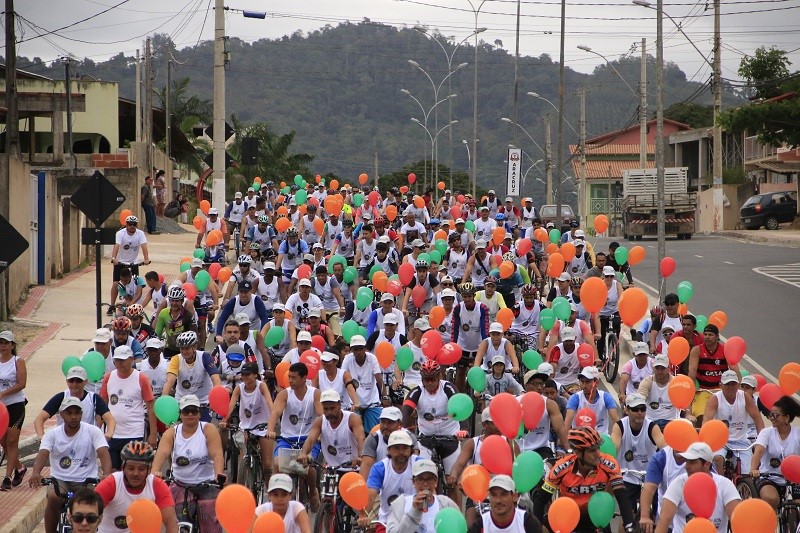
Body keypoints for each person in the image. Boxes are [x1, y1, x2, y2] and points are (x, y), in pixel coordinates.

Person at [29, 396, 113, 533]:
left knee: (93, 502)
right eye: (69, 413)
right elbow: (43, 453)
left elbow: (103, 452)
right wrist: (36, 473)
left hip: (87, 479)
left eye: (77, 413)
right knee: (53, 497)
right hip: (60, 479)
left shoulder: (93, 431)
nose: (73, 416)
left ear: (81, 414)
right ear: (62, 415)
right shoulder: (52, 435)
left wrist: (107, 474)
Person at [533, 427, 636, 533]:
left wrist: (629, 525)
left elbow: (622, 496)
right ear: (578, 453)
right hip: (567, 515)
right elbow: (540, 499)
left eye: (598, 448)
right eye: (592, 450)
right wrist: (537, 527)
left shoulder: (609, 464)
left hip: (594, 516)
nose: (598, 454)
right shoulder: (561, 467)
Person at [151, 395, 226, 533]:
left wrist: (218, 474)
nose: (190, 414)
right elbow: (161, 453)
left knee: (211, 526)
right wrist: (155, 471)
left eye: (194, 410)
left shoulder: (208, 429)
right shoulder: (172, 433)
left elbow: (217, 454)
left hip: (206, 484)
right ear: (180, 414)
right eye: (186, 411)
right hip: (180, 485)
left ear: (199, 413)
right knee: (176, 524)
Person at [402, 360, 466, 493]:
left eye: (433, 379)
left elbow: (462, 406)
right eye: (426, 380)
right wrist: (400, 427)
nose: (430, 383)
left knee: (453, 482)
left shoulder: (448, 388)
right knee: (424, 479)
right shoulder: (417, 391)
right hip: (426, 440)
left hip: (450, 438)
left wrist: (464, 429)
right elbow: (406, 409)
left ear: (439, 378)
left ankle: (456, 511)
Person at [266, 362, 323, 510]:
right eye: (289, 377)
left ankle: (313, 491)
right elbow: (275, 413)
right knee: (278, 463)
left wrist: (321, 434)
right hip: (287, 439)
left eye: (294, 377)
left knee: (309, 466)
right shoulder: (285, 394)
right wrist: (271, 430)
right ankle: (275, 493)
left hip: (308, 439)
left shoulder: (315, 394)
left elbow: (321, 415)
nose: (290, 380)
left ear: (304, 378)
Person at [655, 442, 740, 533]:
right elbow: (664, 520)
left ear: (707, 464)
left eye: (692, 462)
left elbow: (738, 520)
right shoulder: (678, 483)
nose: (687, 467)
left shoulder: (724, 484)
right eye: (686, 461)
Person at [94, 441, 178, 533]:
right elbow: (88, 515)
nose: (135, 473)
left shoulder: (157, 485)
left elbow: (171, 524)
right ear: (123, 468)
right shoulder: (110, 484)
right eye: (130, 468)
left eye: (141, 469)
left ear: (149, 470)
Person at [99, 344, 158, 470]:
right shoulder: (108, 378)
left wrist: (153, 434)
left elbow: (151, 408)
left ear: (131, 360)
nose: (119, 363)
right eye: (117, 360)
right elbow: (102, 405)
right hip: (112, 434)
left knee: (131, 469)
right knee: (112, 471)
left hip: (134, 433)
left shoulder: (141, 378)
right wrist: (98, 430)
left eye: (122, 360)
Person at [611, 394, 665, 516]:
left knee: (655, 516)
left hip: (650, 478)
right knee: (627, 517)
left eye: (643, 409)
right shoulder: (619, 426)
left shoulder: (652, 427)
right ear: (627, 410)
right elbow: (614, 448)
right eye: (635, 409)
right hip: (627, 476)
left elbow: (663, 446)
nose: (640, 413)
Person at [703, 369, 764, 473]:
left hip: (741, 440)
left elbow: (757, 419)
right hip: (721, 441)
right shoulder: (715, 399)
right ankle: (721, 483)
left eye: (733, 384)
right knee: (718, 459)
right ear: (721, 385)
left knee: (748, 473)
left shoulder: (745, 397)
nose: (731, 387)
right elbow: (706, 422)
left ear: (738, 385)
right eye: (727, 384)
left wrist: (762, 440)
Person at [221, 362, 274, 477]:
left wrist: (272, 423)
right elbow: (231, 405)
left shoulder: (261, 386)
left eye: (247, 374)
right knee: (243, 452)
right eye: (243, 374)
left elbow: (271, 405)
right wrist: (225, 420)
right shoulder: (239, 388)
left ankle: (268, 489)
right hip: (246, 426)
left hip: (263, 426)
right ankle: (245, 476)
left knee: (267, 463)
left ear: (255, 375)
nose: (244, 377)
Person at [361, 430, 419, 532]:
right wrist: (363, 515)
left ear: (411, 450)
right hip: (387, 522)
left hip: (415, 521)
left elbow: (430, 490)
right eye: (396, 448)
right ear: (389, 450)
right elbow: (370, 494)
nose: (401, 452)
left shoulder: (419, 464)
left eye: (405, 448)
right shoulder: (380, 468)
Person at [34, 366, 115, 439]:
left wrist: (109, 434)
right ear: (67, 381)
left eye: (78, 380)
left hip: (86, 443)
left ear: (85, 382)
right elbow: (39, 419)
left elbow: (109, 419)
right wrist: (42, 437)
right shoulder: (61, 397)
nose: (74, 384)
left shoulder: (93, 398)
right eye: (71, 380)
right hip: (64, 442)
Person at [750, 395, 800, 511]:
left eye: (775, 415)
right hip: (769, 477)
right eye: (770, 414)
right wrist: (753, 469)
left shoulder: (797, 434)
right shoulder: (766, 433)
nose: (770, 417)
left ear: (786, 418)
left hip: (794, 480)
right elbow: (758, 451)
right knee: (771, 498)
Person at [162, 331, 223, 422]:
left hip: (202, 401)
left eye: (187, 348)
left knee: (205, 430)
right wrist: (164, 401)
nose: (184, 352)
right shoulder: (176, 359)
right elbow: (169, 382)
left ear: (194, 347)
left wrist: (216, 398)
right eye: (181, 349)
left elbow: (216, 379)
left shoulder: (205, 357)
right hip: (182, 400)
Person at [385, 459, 459, 533]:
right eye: (420, 479)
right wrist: (414, 511)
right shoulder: (401, 504)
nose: (425, 484)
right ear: (414, 482)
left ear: (436, 481)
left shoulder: (446, 504)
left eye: (429, 479)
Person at [298, 389, 365, 468]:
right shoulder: (319, 421)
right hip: (331, 470)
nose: (329, 412)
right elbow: (310, 440)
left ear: (339, 405)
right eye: (326, 409)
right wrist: (303, 453)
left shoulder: (352, 419)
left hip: (353, 468)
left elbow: (361, 438)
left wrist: (361, 456)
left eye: (332, 408)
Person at [688, 324, 740, 424]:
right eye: (705, 334)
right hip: (704, 391)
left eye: (710, 334)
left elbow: (734, 369)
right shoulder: (697, 350)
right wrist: (691, 392)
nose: (707, 337)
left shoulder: (725, 350)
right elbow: (692, 372)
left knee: (728, 418)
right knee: (701, 417)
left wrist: (737, 390)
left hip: (722, 391)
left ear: (717, 336)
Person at [637, 443, 688, 533]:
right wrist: (644, 516)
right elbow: (649, 487)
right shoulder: (661, 457)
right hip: (666, 520)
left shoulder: (698, 457)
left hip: (691, 520)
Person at [467, 475, 543, 533]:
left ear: (514, 497)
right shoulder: (480, 525)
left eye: (504, 494)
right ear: (488, 497)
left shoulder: (528, 522)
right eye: (493, 495)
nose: (498, 500)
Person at [0, 330, 27, 490]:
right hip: (1, 407)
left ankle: (7, 478)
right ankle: (20, 468)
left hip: (15, 405)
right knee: (3, 441)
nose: (3, 346)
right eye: (1, 343)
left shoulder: (18, 361)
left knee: (11, 442)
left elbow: (21, 383)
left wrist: (4, 393)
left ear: (12, 345)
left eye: (6, 343)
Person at [359, 407, 419, 479]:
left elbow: (415, 464)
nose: (385, 426)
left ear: (400, 424)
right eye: (383, 421)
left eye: (390, 422)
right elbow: (366, 467)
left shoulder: (410, 438)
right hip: (380, 481)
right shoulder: (374, 439)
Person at [109, 215, 151, 315]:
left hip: (133, 263)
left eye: (134, 224)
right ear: (126, 225)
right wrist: (114, 258)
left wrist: (146, 259)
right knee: (116, 283)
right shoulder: (120, 233)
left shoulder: (140, 233)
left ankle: (133, 304)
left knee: (136, 283)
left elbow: (144, 246)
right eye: (130, 224)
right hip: (120, 262)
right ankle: (111, 305)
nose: (132, 226)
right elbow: (117, 246)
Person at [341, 335, 384, 430]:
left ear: (365, 349)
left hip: (372, 401)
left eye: (360, 349)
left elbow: (379, 378)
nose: (358, 352)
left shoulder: (372, 358)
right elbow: (343, 377)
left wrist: (384, 396)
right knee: (352, 432)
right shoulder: (348, 359)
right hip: (353, 403)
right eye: (355, 349)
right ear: (351, 350)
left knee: (374, 432)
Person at [564, 366, 620, 435]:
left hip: (601, 438)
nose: (584, 385)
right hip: (580, 438)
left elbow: (616, 420)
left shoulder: (606, 397)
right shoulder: (575, 398)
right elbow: (567, 422)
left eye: (588, 382)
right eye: (582, 381)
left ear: (596, 383)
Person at [637, 355, 679, 430]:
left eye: (663, 368)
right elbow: (640, 399)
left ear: (668, 368)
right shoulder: (647, 382)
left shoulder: (676, 383)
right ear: (653, 368)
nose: (660, 371)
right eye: (657, 368)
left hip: (671, 421)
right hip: (651, 421)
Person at [618, 342, 654, 407]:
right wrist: (622, 394)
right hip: (632, 398)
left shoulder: (652, 363)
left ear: (647, 354)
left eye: (644, 354)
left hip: (649, 398)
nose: (642, 357)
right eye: (639, 355)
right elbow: (623, 381)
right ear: (634, 354)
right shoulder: (629, 365)